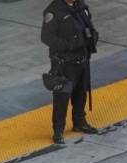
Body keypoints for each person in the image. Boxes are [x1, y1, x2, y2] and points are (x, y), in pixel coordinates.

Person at [41, 0, 100, 144]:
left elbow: (88, 24)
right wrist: (68, 46)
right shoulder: (53, 11)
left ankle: (79, 122)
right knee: (62, 97)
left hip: (82, 59)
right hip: (65, 63)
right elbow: (46, 37)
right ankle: (58, 131)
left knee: (81, 93)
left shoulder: (80, 6)